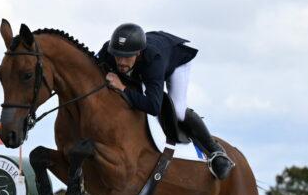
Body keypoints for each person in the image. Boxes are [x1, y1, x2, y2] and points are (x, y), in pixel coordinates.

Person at [98, 23, 235, 180]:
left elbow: (153, 106)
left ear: (138, 53)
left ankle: (216, 151)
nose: (121, 62)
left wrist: (122, 88)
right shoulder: (109, 50)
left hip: (175, 60)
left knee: (178, 111)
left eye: (127, 57)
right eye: (118, 56)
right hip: (150, 52)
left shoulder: (154, 61)